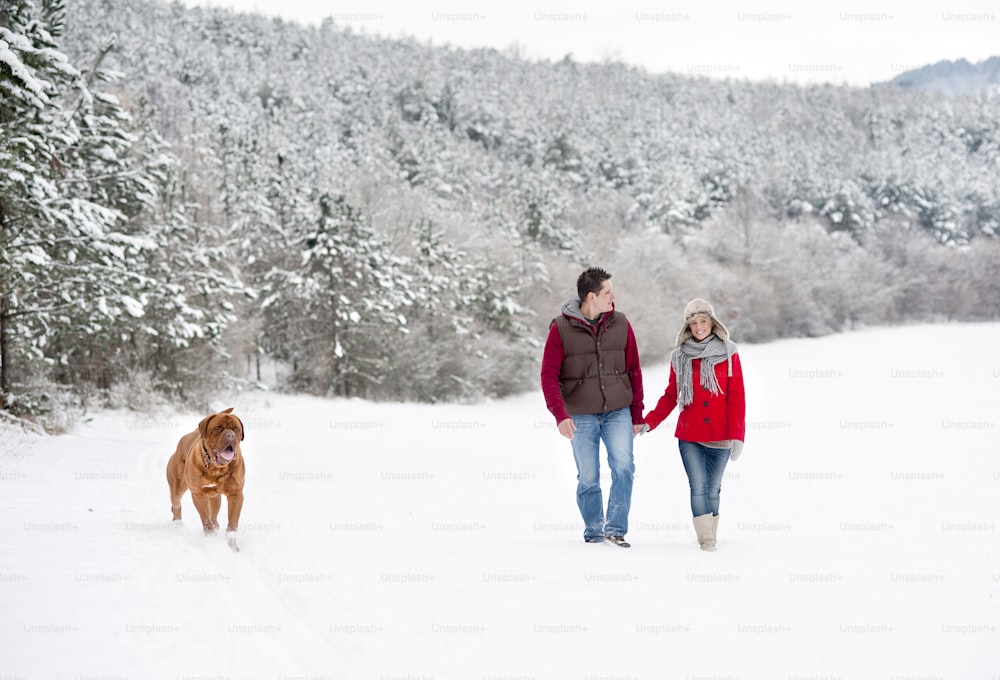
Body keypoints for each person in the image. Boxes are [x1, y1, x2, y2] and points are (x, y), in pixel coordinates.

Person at [540, 267, 645, 547]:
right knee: (588, 476)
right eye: (608, 292)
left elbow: (634, 370)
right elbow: (548, 375)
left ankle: (615, 528)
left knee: (623, 467)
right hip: (580, 414)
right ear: (591, 296)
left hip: (618, 410)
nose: (613, 296)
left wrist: (637, 413)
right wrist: (560, 415)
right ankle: (595, 530)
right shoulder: (560, 328)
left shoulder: (621, 323)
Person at [642, 298, 745, 551]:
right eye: (693, 323)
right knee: (698, 487)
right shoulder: (680, 357)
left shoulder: (729, 353)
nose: (699, 327)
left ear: (712, 322)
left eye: (703, 321)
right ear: (687, 327)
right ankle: (707, 540)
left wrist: (738, 436)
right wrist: (649, 422)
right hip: (690, 436)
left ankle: (711, 533)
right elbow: (671, 395)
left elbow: (737, 397)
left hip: (721, 435)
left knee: (713, 489)